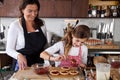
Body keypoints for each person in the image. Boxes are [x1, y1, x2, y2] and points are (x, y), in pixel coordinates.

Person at [6, 0, 48, 71]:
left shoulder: (41, 24)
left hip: (40, 65)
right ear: (22, 10)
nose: (33, 14)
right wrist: (19, 55)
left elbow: (45, 46)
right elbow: (9, 50)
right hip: (23, 64)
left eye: (36, 11)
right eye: (30, 11)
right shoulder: (15, 25)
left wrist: (49, 57)